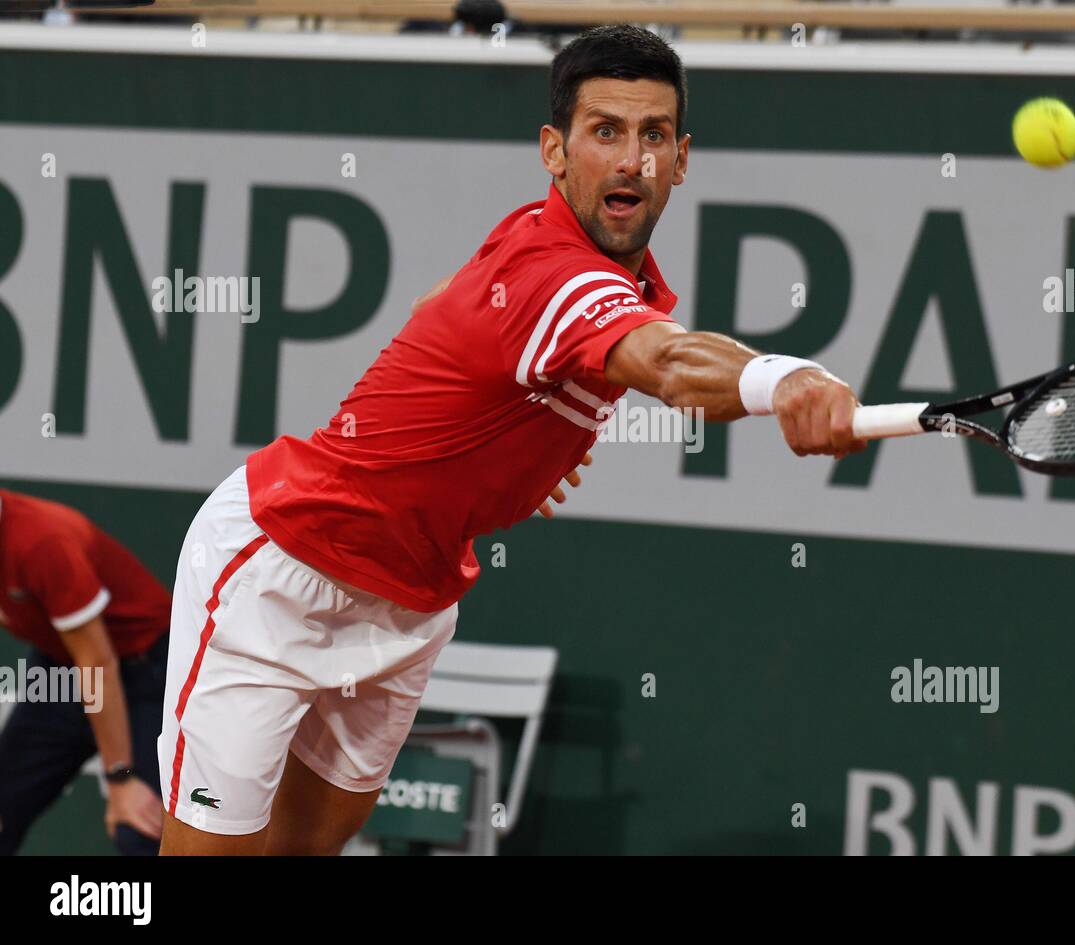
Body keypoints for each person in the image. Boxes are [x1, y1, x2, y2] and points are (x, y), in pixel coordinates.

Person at [159, 24, 870, 855]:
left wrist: (510, 436)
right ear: (555, 150)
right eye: (605, 131)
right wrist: (781, 378)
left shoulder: (564, 255)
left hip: (411, 600)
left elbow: (440, 308)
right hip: (283, 565)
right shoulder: (555, 275)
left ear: (682, 158)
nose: (631, 159)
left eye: (653, 137)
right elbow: (673, 364)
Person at [0, 489, 170, 855]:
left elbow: (97, 664)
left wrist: (120, 779)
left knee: (141, 830)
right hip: (59, 669)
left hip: (146, 672)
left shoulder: (41, 542)